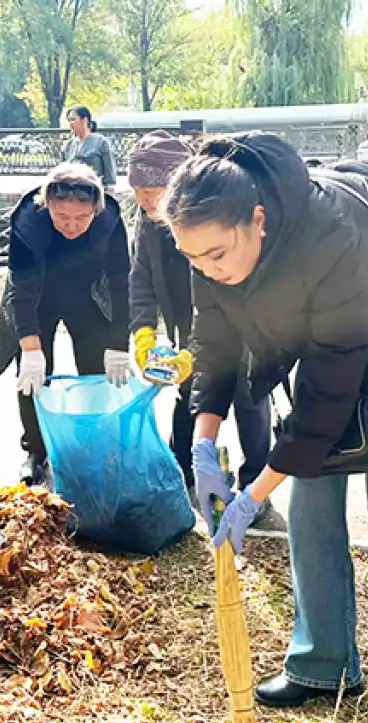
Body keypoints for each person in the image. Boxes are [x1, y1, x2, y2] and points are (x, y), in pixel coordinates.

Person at [161, 133, 368, 708]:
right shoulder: (209, 242)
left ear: (257, 221)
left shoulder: (328, 230)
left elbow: (328, 392)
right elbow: (213, 347)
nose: (207, 270)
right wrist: (202, 444)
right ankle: (323, 663)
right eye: (193, 258)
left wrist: (251, 492)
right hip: (342, 357)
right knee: (311, 499)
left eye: (217, 255)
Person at [127, 131, 273, 494]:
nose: (145, 201)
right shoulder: (147, 221)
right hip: (184, 324)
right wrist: (144, 332)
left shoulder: (214, 219)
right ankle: (183, 474)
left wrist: (200, 349)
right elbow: (140, 278)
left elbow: (227, 289)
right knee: (190, 394)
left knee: (249, 398)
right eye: (139, 193)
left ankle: (255, 483)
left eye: (153, 192)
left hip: (235, 326)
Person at [0, 163, 131, 486]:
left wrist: (118, 343)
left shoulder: (109, 218)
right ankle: (36, 451)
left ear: (95, 209)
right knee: (34, 376)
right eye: (62, 217)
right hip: (38, 298)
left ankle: (94, 441)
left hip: (88, 296)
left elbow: (120, 281)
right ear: (47, 206)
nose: (71, 226)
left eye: (81, 218)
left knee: (96, 372)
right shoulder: (29, 219)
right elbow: (21, 288)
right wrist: (29, 347)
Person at [62, 106, 117, 193]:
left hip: (95, 189)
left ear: (84, 120)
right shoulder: (68, 145)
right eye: (69, 120)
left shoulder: (101, 142)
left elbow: (109, 168)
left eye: (73, 119)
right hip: (73, 190)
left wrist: (109, 187)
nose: (70, 123)